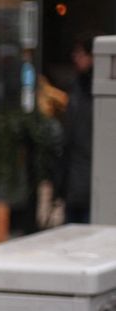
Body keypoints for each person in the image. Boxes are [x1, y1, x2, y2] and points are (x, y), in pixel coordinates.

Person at [57, 33, 96, 225]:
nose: (75, 57)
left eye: (79, 53)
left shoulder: (95, 92)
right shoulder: (77, 87)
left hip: (89, 182)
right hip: (76, 181)